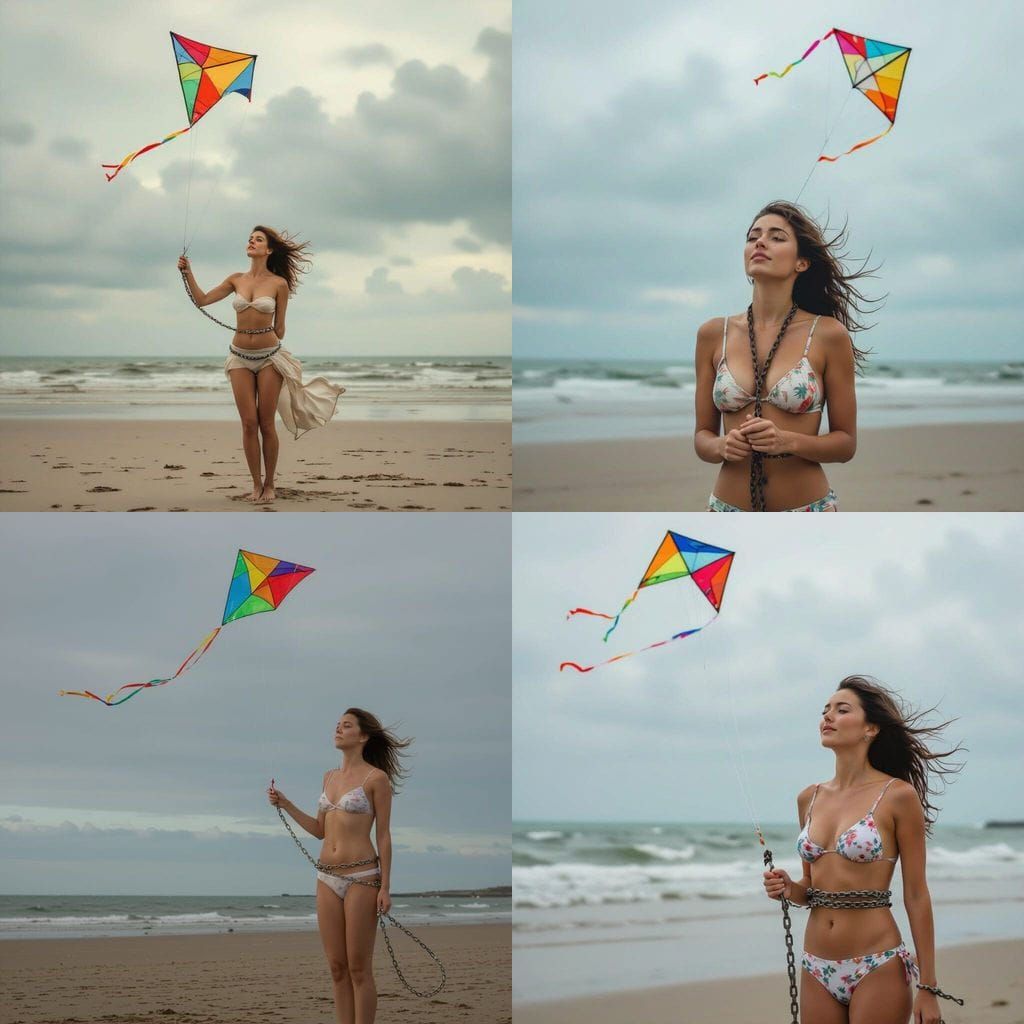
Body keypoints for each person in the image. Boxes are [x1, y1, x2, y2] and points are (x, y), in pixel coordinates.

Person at [763, 675, 964, 1024]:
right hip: (816, 966)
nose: (827, 717)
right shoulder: (808, 798)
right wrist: (788, 887)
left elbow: (916, 894)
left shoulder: (898, 796)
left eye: (841, 710)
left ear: (871, 728)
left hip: (877, 962)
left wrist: (928, 987)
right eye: (825, 710)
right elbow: (811, 889)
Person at [694, 200, 878, 511]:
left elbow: (845, 443)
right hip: (725, 511)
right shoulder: (713, 334)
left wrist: (787, 441)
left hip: (808, 512)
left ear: (801, 263)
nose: (760, 242)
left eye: (777, 237)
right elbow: (702, 437)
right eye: (753, 237)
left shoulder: (828, 335)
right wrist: (722, 445)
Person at [177, 225, 344, 503]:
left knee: (266, 423)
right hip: (239, 356)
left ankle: (270, 485)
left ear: (269, 250)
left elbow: (280, 329)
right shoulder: (236, 280)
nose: (252, 242)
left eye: (258, 240)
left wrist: (263, 332)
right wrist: (187, 272)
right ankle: (255, 484)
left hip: (269, 358)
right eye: (250, 239)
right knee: (248, 423)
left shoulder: (279, 284)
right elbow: (203, 300)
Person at [269, 708, 411, 1024]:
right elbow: (320, 830)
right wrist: (286, 803)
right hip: (326, 877)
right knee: (337, 968)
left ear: (362, 736)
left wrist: (385, 886)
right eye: (337, 724)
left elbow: (384, 835)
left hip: (363, 877)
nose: (338, 729)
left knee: (359, 968)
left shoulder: (377, 779)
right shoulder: (328, 777)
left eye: (346, 725)